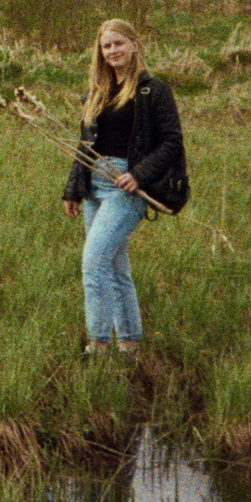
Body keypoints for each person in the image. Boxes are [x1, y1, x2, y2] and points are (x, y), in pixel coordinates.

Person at [62, 18, 185, 354]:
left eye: (118, 43)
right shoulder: (95, 93)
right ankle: (129, 345)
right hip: (93, 185)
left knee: (93, 262)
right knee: (115, 266)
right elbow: (84, 145)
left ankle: (98, 345)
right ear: (99, 53)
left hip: (126, 186)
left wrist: (140, 175)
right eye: (106, 46)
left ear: (134, 45)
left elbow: (172, 141)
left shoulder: (154, 91)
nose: (112, 51)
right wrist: (73, 190)